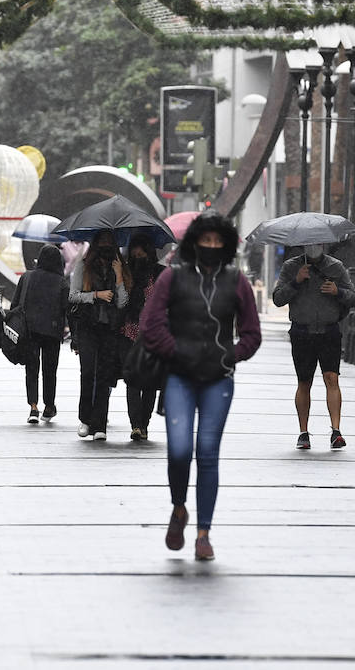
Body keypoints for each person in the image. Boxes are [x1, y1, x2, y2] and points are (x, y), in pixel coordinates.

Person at [139, 212, 261, 561]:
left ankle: (203, 533)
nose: (210, 247)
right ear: (194, 243)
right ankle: (179, 508)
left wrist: (231, 356)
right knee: (179, 450)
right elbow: (150, 325)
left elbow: (252, 333)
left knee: (207, 453)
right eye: (204, 241)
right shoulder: (172, 279)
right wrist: (175, 352)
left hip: (218, 379)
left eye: (217, 241)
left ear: (226, 245)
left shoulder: (237, 281)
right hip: (179, 375)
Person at [272, 242, 355, 450]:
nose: (314, 246)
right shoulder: (291, 267)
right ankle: (303, 432)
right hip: (302, 331)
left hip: (329, 331)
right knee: (304, 382)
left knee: (332, 378)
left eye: (318, 243)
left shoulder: (336, 267)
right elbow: (277, 299)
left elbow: (354, 297)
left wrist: (337, 291)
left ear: (324, 244)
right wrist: (297, 281)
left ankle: (336, 431)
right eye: (310, 243)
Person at [69, 230, 128, 441]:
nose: (106, 246)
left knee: (105, 375)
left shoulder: (118, 267)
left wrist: (119, 275)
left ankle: (100, 423)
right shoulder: (83, 266)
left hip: (109, 328)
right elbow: (73, 296)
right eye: (102, 242)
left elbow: (122, 303)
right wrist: (96, 295)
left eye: (109, 242)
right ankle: (85, 419)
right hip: (87, 326)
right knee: (88, 372)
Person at [17, 243, 69, 424]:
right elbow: (66, 309)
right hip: (52, 332)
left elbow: (16, 304)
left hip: (30, 330)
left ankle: (33, 406)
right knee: (50, 370)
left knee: (32, 369)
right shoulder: (61, 282)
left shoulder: (28, 277)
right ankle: (49, 405)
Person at [121, 235, 165, 441]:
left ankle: (144, 424)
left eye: (142, 254)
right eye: (134, 255)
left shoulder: (161, 274)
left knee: (150, 382)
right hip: (131, 333)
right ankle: (135, 425)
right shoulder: (127, 274)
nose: (138, 258)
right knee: (132, 381)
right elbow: (122, 302)